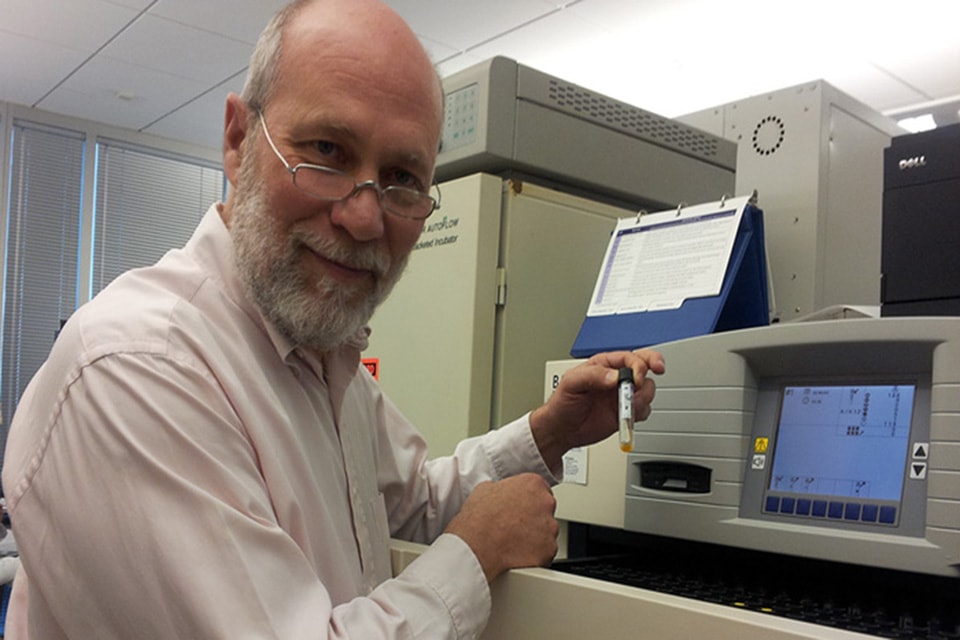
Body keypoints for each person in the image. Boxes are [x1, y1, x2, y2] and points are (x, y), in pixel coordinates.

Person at [0, 0, 665, 638]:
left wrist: (549, 435)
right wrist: (473, 552)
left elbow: (403, 504)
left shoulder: (320, 352)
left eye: (403, 176)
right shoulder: (140, 367)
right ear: (237, 142)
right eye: (326, 150)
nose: (364, 216)